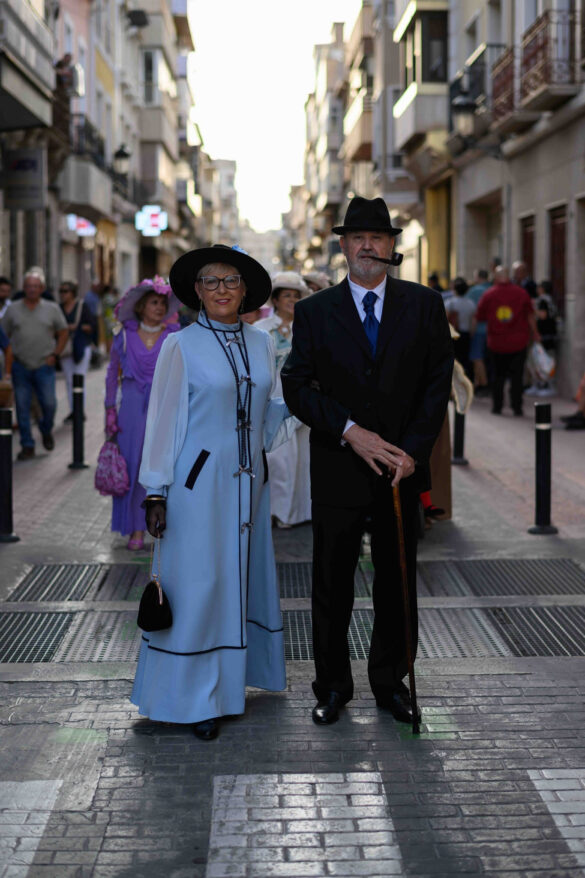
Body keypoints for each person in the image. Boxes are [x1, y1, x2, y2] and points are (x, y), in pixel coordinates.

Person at [281, 196, 453, 726]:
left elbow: (437, 383)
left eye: (377, 237)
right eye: (357, 237)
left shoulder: (424, 305)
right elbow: (296, 386)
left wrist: (413, 451)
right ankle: (332, 686)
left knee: (396, 583)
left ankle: (391, 682)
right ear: (343, 245)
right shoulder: (314, 312)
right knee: (332, 582)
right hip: (339, 466)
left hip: (401, 469)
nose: (367, 246)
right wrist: (351, 432)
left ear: (391, 245)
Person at [134, 244, 294, 741]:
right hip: (197, 484)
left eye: (230, 281)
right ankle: (194, 699)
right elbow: (163, 419)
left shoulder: (261, 343)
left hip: (248, 485)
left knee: (238, 580)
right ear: (197, 292)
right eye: (210, 281)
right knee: (200, 584)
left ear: (245, 291)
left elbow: (271, 411)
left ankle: (231, 687)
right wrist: (156, 490)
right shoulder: (180, 346)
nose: (221, 289)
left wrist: (309, 390)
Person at [103, 277, 180, 551]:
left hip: (164, 407)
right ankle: (135, 528)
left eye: (163, 303)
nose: (159, 307)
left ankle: (165, 526)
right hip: (132, 409)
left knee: (164, 464)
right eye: (154, 302)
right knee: (133, 466)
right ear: (140, 307)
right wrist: (109, 409)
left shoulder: (175, 336)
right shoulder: (124, 335)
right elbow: (111, 374)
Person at [256, 272, 311, 528]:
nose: (292, 300)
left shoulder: (309, 326)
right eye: (286, 295)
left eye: (296, 296)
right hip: (272, 398)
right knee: (276, 458)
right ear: (275, 300)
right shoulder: (261, 328)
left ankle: (296, 512)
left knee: (301, 458)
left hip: (303, 396)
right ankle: (273, 511)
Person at [1, 269, 68, 459]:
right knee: (22, 407)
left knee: (49, 403)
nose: (32, 289)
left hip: (44, 364)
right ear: (23, 288)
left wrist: (56, 354)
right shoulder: (13, 310)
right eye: (29, 286)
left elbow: (63, 332)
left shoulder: (52, 309)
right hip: (20, 365)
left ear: (42, 289)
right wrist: (9, 363)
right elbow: (4, 336)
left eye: (36, 286)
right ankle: (27, 445)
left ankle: (46, 429)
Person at [475, 266, 540, 417]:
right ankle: (517, 407)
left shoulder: (489, 294)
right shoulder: (521, 293)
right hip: (518, 343)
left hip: (496, 343)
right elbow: (530, 315)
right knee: (517, 377)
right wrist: (536, 333)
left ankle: (497, 406)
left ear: (496, 277)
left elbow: (480, 316)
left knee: (498, 376)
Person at [58, 281, 96, 422]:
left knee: (79, 379)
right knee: (69, 380)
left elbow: (92, 325)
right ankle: (73, 410)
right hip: (65, 348)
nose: (63, 294)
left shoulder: (81, 306)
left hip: (81, 346)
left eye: (65, 291)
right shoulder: (58, 308)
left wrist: (79, 327)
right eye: (61, 291)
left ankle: (79, 410)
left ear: (72, 292)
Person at [467, 269, 491, 394]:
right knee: (488, 359)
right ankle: (487, 383)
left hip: (479, 329)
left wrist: (471, 330)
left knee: (477, 357)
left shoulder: (474, 291)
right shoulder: (492, 289)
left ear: (478, 277)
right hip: (493, 330)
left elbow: (471, 312)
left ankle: (483, 384)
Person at [446, 277, 475, 378]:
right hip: (466, 334)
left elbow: (445, 319)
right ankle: (465, 378)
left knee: (453, 358)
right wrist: (471, 333)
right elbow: (473, 321)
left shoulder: (450, 303)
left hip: (453, 334)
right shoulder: (471, 303)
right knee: (465, 358)